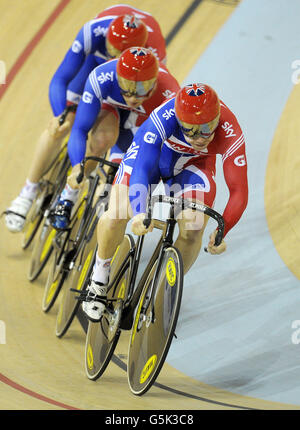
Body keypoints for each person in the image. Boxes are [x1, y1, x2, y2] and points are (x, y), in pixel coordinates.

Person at [80, 83, 249, 322]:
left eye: (205, 130)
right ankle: (99, 277)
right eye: (189, 130)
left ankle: (162, 291)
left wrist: (223, 230)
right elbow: (143, 165)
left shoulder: (230, 130)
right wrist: (139, 211)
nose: (197, 137)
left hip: (193, 167)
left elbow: (239, 191)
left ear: (217, 119)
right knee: (119, 211)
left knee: (193, 226)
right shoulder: (163, 118)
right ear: (179, 120)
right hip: (152, 157)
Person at [5, 4, 167, 233]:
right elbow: (61, 78)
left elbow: (145, 105)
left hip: (129, 85)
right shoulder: (93, 32)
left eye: (119, 55)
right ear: (107, 39)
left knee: (104, 138)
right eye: (111, 50)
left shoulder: (153, 57)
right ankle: (27, 192)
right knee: (61, 127)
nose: (114, 57)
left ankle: (71, 191)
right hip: (94, 70)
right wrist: (61, 113)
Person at [49, 46, 180, 230]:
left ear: (154, 85)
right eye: (126, 88)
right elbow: (80, 129)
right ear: (118, 78)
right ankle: (68, 195)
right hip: (111, 109)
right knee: (102, 139)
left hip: (143, 123)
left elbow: (163, 143)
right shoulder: (102, 76)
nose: (132, 96)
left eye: (140, 89)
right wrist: (77, 165)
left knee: (126, 177)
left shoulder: (171, 94)